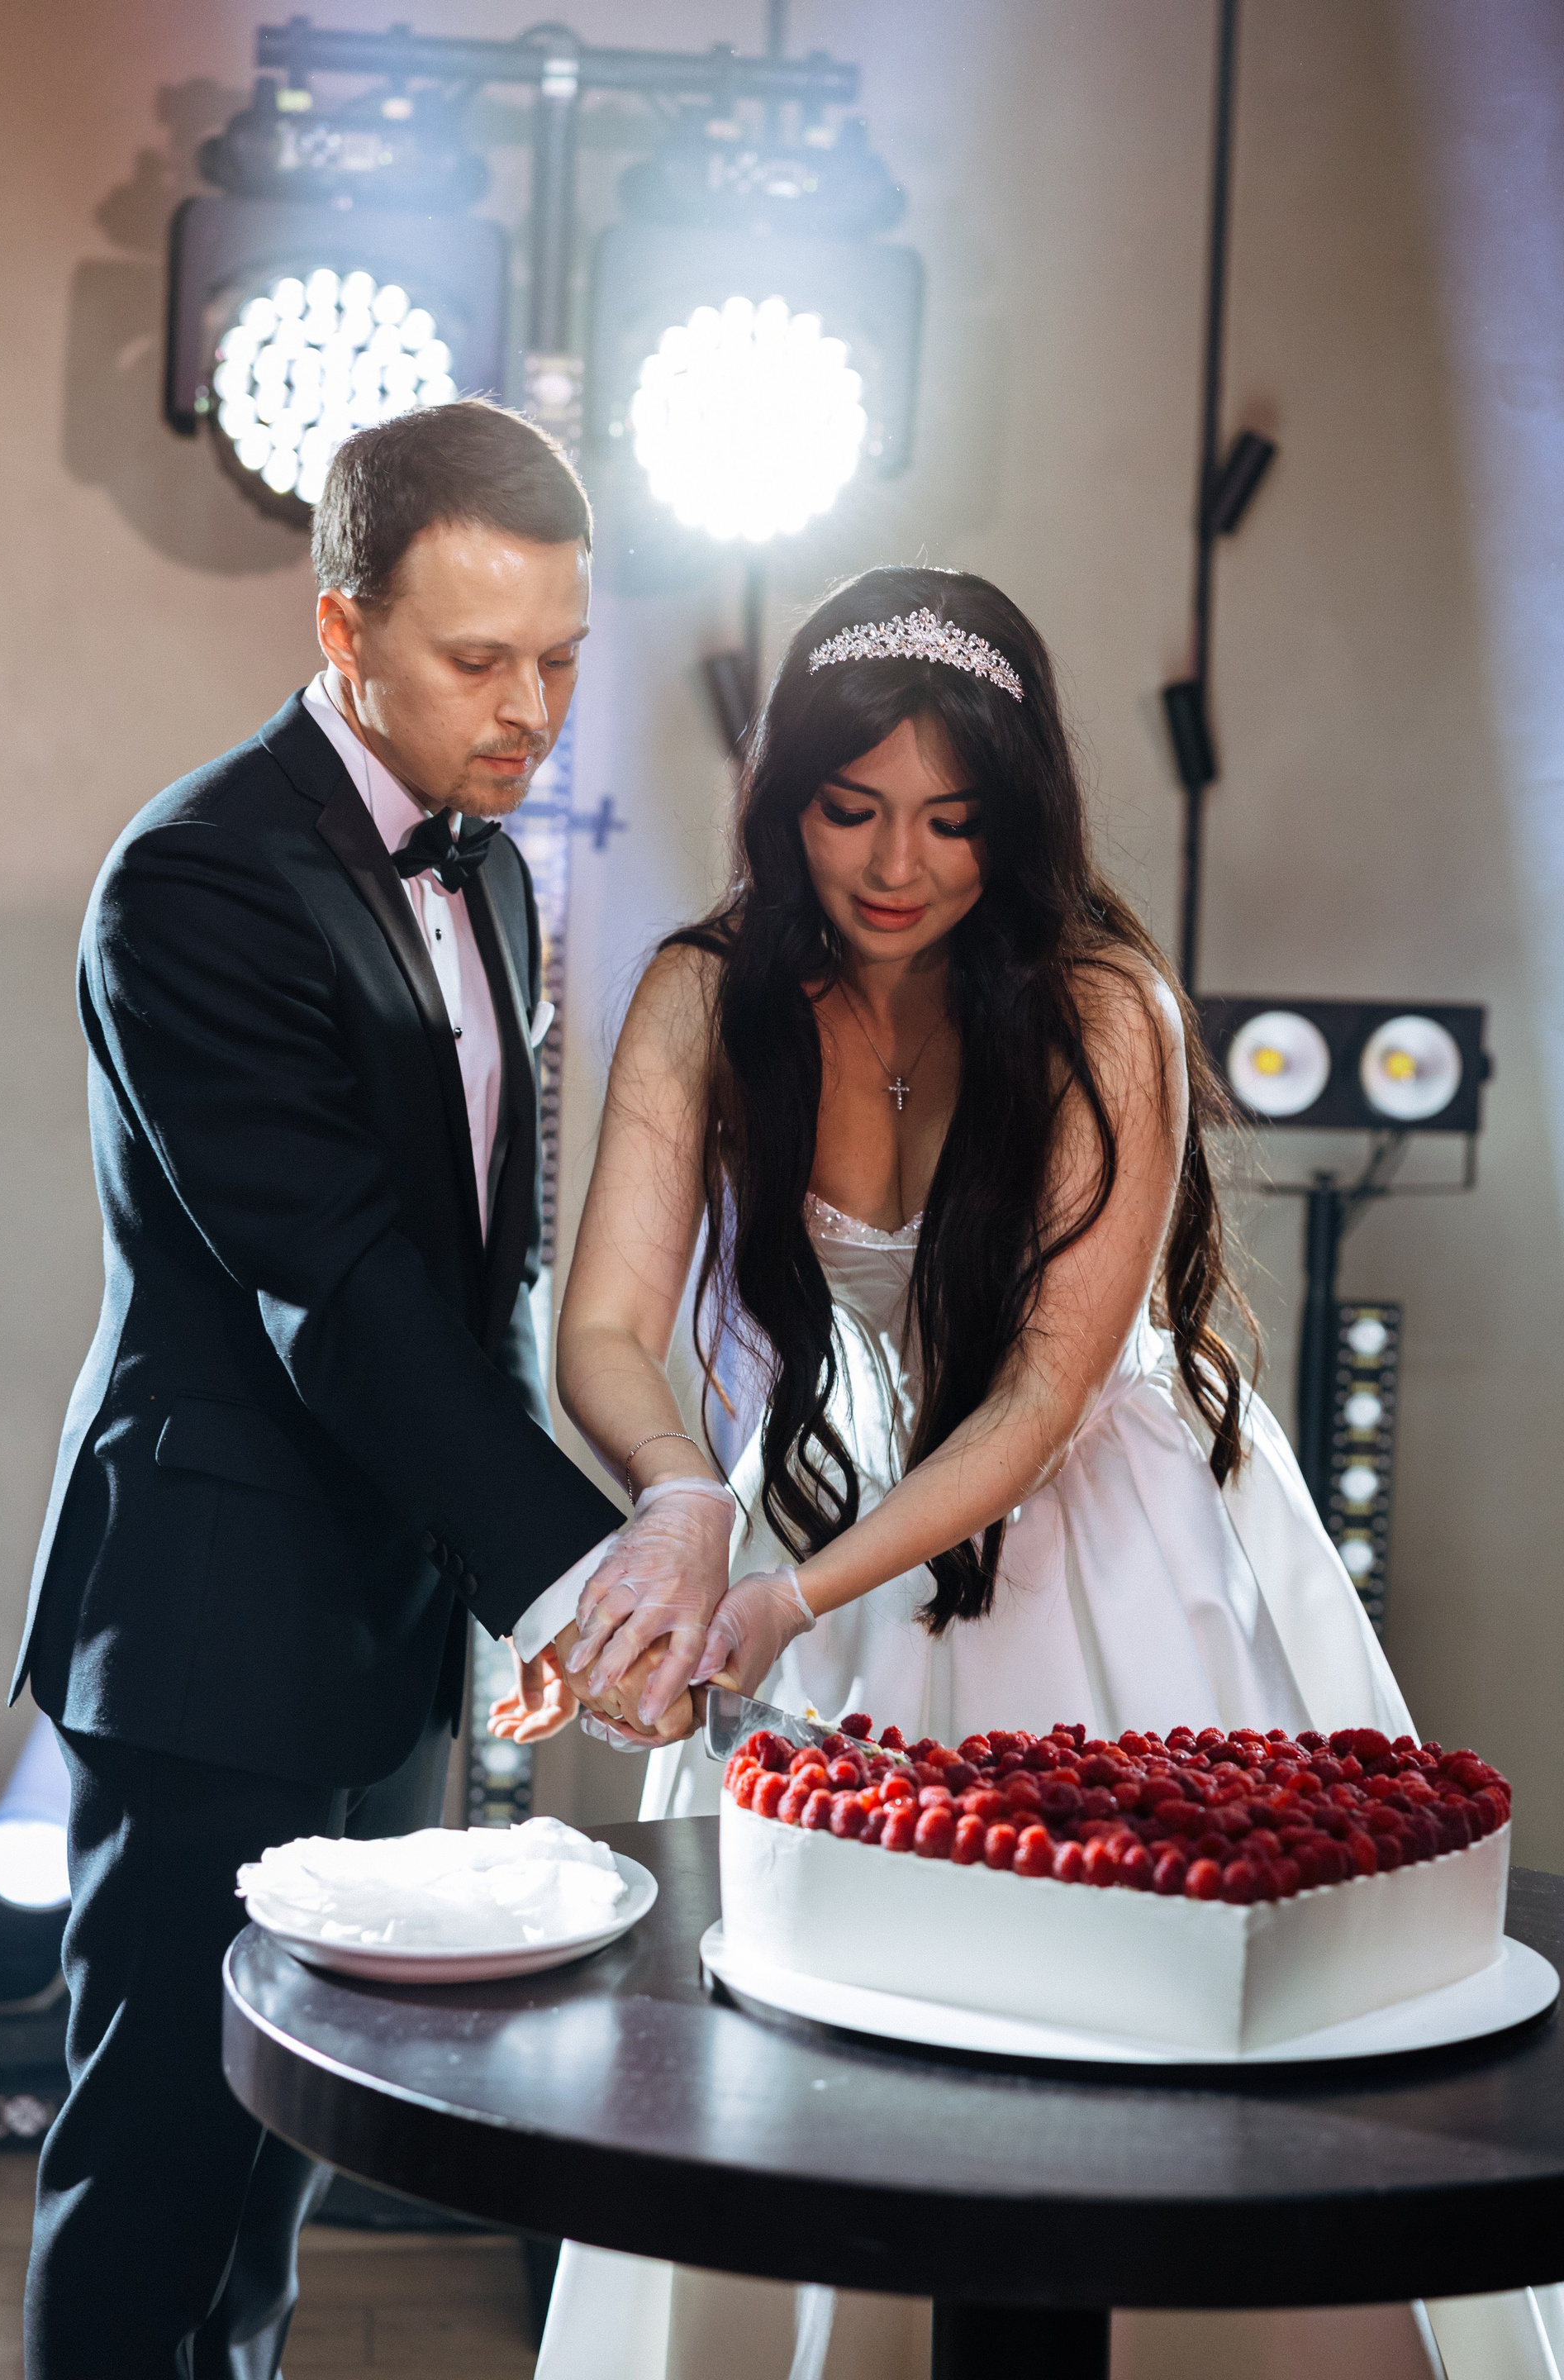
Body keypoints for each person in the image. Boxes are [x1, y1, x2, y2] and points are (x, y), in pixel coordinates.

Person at [497, 565, 1427, 2380]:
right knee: (810, 2065)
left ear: (1019, 816)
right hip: (830, 1480)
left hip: (1104, 1519)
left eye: (951, 820)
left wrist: (790, 1596)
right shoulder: (706, 994)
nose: (897, 866)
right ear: (786, 798)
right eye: (850, 810)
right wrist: (687, 1495)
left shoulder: (1103, 1006)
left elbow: (1042, 1403)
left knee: (1127, 2048)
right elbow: (600, 1324)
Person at [12, 399, 709, 2380]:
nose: (532, 712)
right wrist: (578, 1577)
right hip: (209, 1613)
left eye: (563, 657)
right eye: (480, 660)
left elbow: (478, 1283)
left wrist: (500, 1584)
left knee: (276, 2172)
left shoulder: (493, 874)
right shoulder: (197, 878)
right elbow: (332, 1283)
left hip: (388, 1617)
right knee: (159, 2165)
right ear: (341, 630)